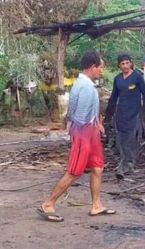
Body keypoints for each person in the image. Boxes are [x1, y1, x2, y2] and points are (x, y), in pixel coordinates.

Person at [36, 51, 115, 222]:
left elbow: (75, 112)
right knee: (74, 171)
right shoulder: (85, 86)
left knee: (97, 167)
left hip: (90, 132)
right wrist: (82, 132)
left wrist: (97, 124)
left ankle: (96, 205)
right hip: (84, 134)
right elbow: (78, 116)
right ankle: (48, 204)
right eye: (100, 67)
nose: (101, 70)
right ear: (92, 67)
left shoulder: (84, 84)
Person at [105, 53, 145, 179]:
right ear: (119, 65)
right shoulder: (118, 79)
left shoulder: (137, 77)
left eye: (127, 63)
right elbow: (114, 97)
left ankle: (128, 163)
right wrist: (108, 114)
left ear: (131, 63)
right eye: (122, 63)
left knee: (131, 138)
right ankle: (124, 161)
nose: (125, 66)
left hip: (134, 113)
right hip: (121, 113)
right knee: (120, 138)